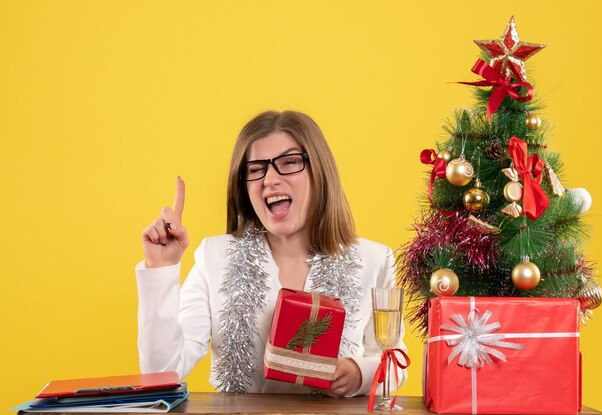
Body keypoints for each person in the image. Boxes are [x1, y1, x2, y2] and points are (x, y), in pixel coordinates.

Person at [136, 110, 407, 397]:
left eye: (289, 162)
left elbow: (395, 360)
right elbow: (161, 373)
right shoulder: (214, 257)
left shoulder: (375, 260)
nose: (270, 179)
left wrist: (359, 374)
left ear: (320, 171)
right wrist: (160, 269)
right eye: (255, 169)